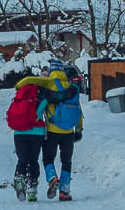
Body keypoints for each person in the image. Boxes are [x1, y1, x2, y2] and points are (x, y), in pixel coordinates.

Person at [38, 67, 83, 200]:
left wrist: (38, 122)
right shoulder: (72, 88)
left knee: (48, 158)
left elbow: (40, 109)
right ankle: (64, 191)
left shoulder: (50, 87)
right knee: (66, 161)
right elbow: (78, 111)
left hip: (52, 131)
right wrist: (79, 129)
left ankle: (52, 178)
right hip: (69, 132)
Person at [6, 73, 51, 201]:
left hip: (19, 132)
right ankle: (32, 189)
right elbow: (42, 112)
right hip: (36, 132)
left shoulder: (21, 94)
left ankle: (19, 176)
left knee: (22, 159)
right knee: (33, 160)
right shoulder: (42, 95)